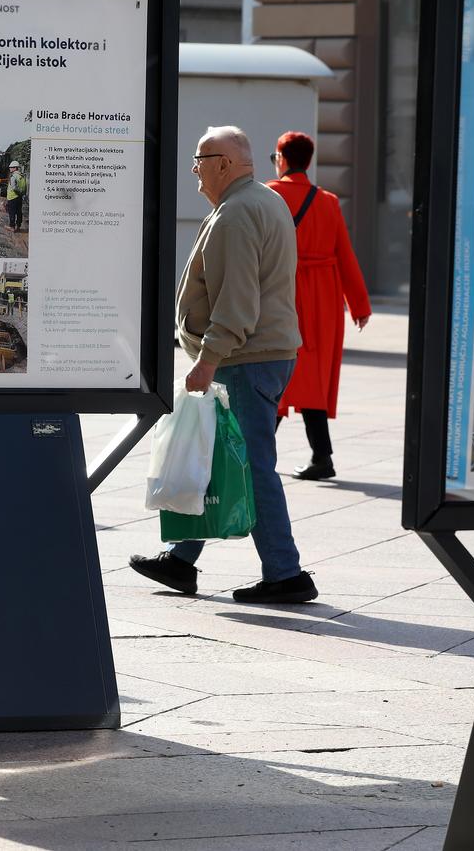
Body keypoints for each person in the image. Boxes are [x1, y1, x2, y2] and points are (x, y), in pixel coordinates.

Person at [129, 125, 318, 604]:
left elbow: (236, 301)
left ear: (225, 164)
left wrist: (207, 360)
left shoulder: (235, 214)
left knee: (252, 467)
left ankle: (286, 574)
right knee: (217, 457)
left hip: (244, 359)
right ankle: (180, 559)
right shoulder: (263, 200)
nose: (195, 170)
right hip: (260, 355)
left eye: (200, 160)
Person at [266, 131, 372, 480]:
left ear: (282, 158)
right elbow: (346, 255)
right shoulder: (327, 201)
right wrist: (359, 305)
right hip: (322, 301)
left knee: (271, 372)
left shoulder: (268, 195)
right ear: (308, 161)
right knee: (310, 377)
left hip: (280, 292)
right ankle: (320, 457)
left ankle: (253, 454)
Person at [6, 161, 27, 230]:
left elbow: (14, 187)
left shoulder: (13, 176)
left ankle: (12, 226)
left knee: (12, 212)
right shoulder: (22, 176)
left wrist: (18, 192)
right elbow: (25, 187)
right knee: (19, 212)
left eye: (11, 167)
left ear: (15, 168)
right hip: (19, 197)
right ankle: (18, 226)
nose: (9, 169)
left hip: (12, 197)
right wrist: (22, 194)